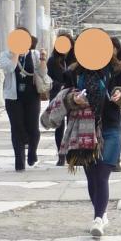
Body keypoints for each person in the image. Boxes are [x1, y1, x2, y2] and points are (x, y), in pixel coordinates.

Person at [61, 39, 121, 238]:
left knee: (102, 174)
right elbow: (65, 95)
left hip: (109, 127)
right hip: (83, 128)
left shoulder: (118, 70)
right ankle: (101, 212)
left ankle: (98, 218)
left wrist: (119, 94)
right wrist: (73, 98)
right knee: (91, 176)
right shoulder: (74, 72)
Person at [0, 34, 43, 171]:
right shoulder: (5, 55)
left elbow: (43, 73)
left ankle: (32, 151)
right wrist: (16, 54)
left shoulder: (35, 54)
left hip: (32, 96)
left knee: (33, 127)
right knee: (17, 127)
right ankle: (19, 161)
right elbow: (9, 69)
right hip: (13, 97)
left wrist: (43, 60)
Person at [46, 31, 74, 165]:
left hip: (72, 95)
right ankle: (61, 154)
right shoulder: (52, 60)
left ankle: (70, 153)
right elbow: (49, 78)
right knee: (59, 126)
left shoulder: (75, 59)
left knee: (71, 124)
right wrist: (60, 85)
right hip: (57, 95)